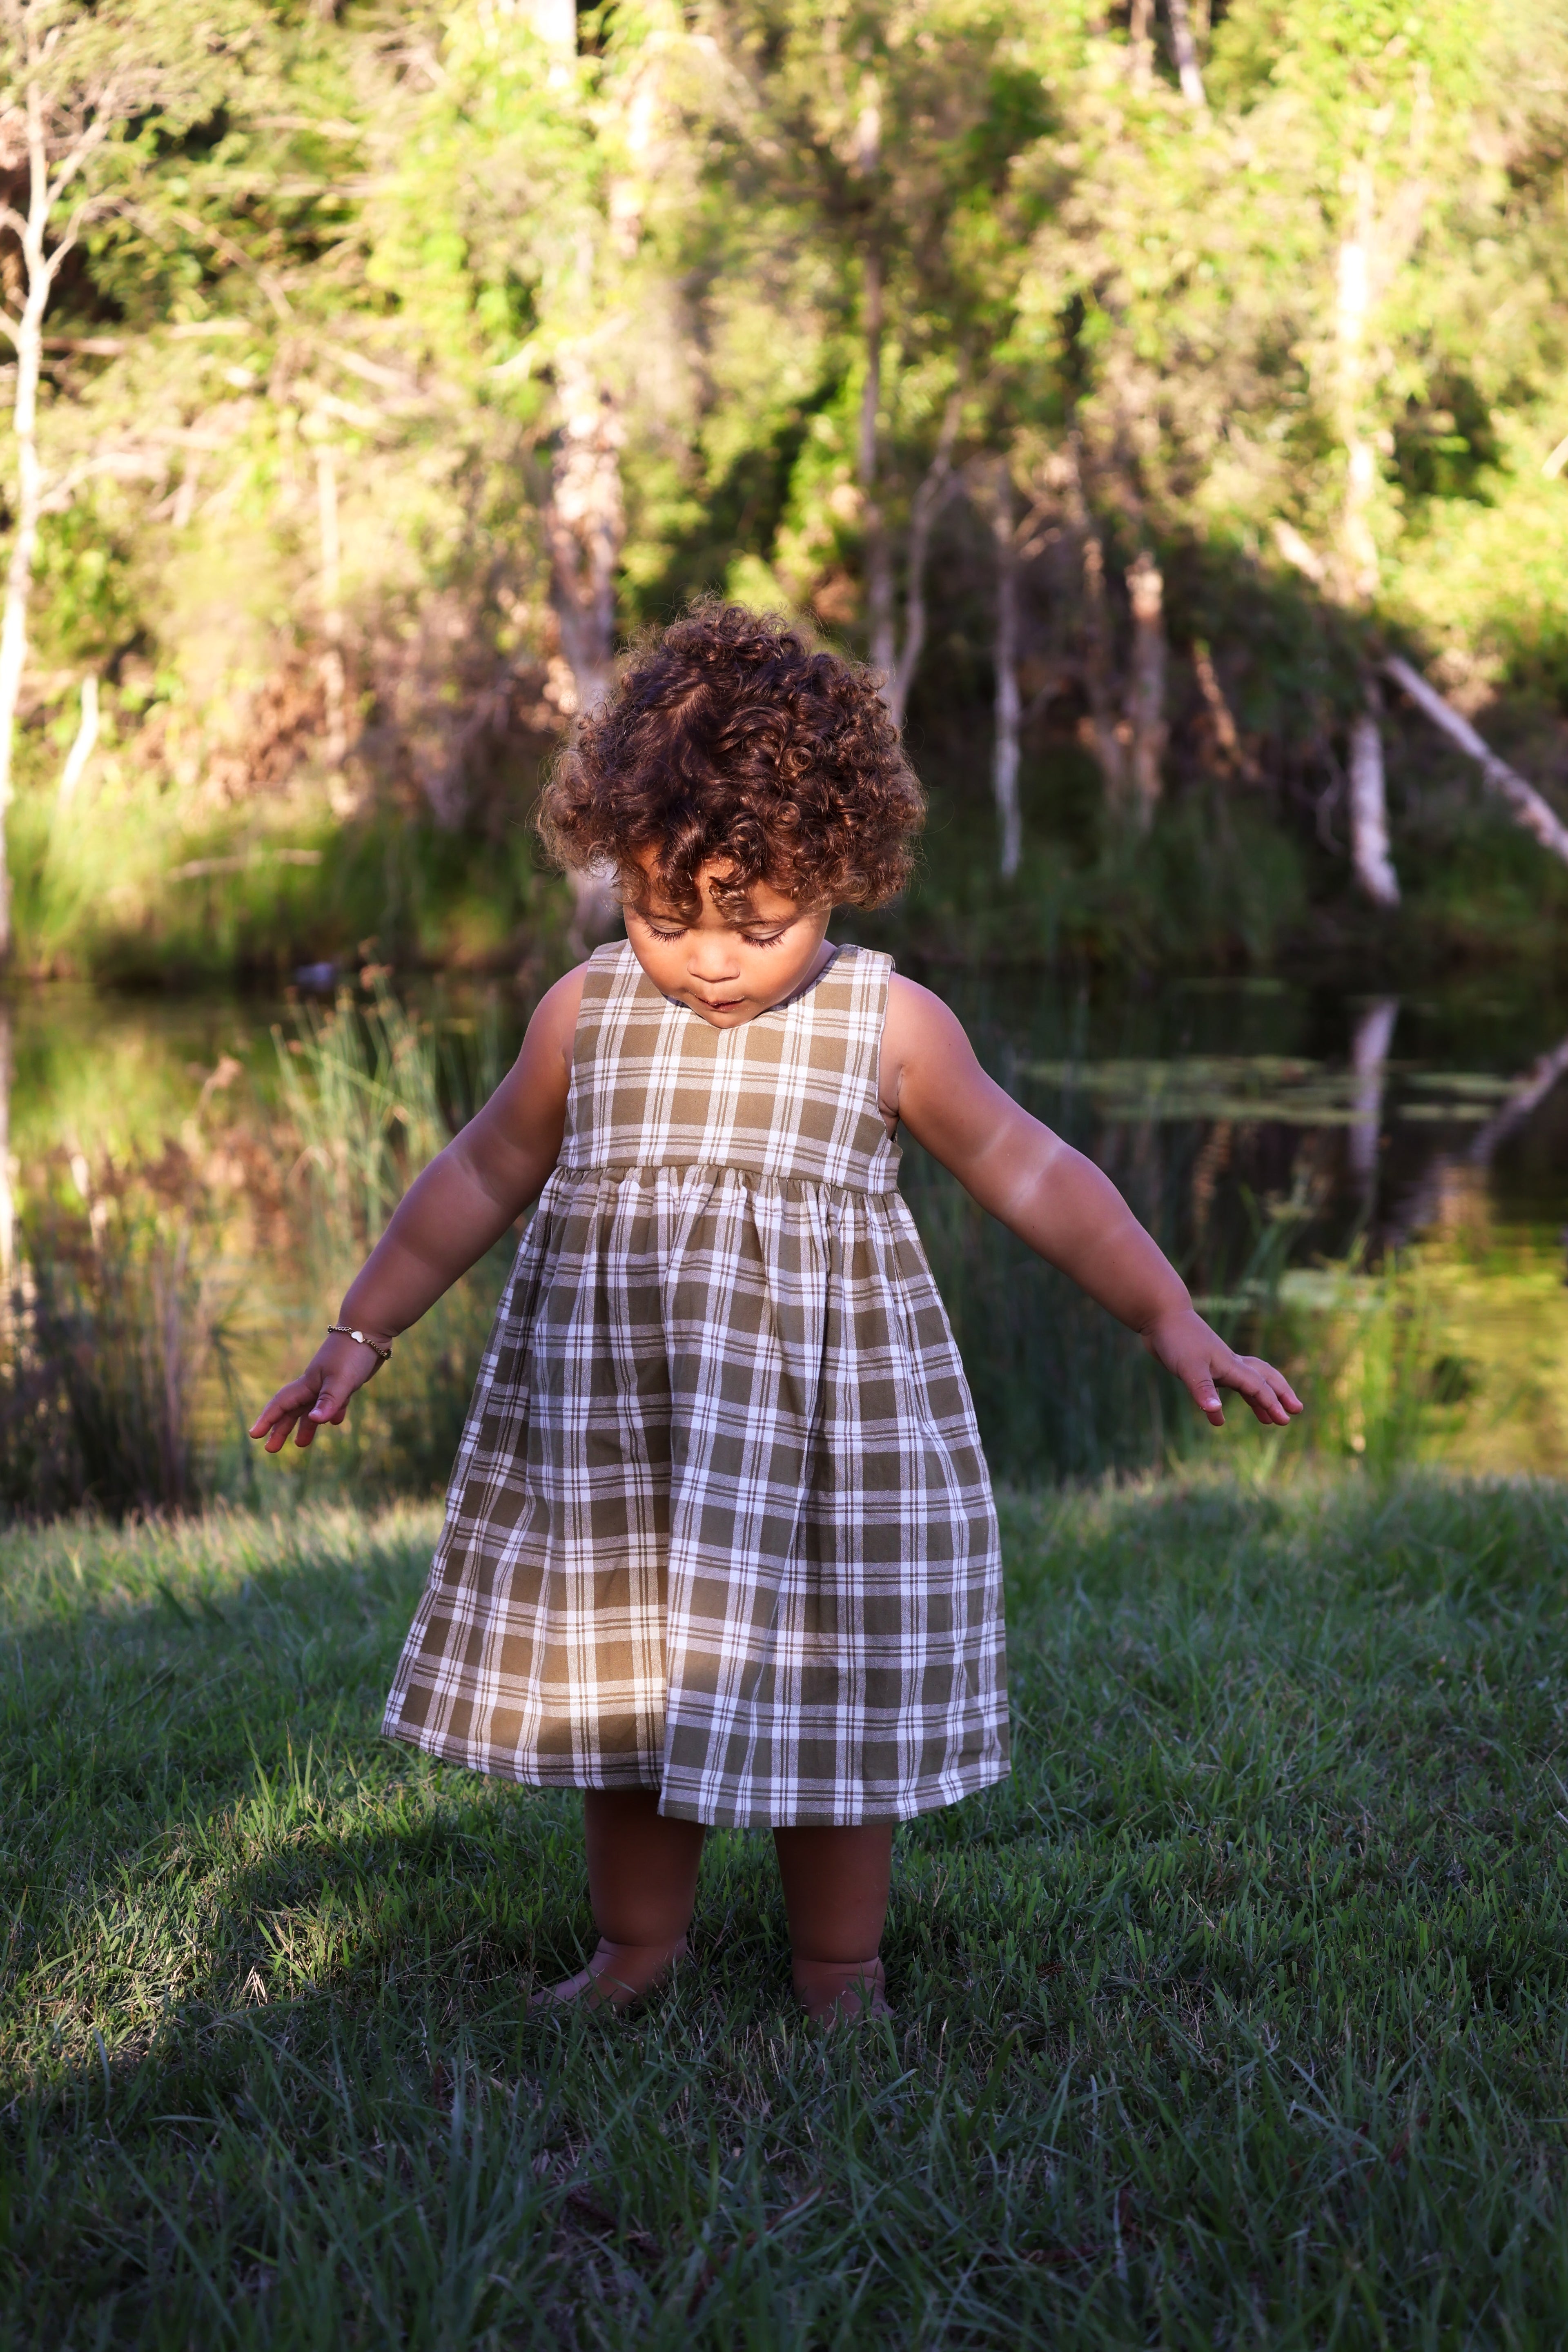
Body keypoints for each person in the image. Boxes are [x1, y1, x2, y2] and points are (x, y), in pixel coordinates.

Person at [249, 604, 1302, 2025]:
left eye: (759, 920)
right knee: (628, 1704)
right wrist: (360, 1331)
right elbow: (484, 1168)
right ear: (616, 868)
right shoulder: (588, 1011)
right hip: (624, 1445)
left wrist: (1174, 1319)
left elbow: (1030, 1170)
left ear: (842, 873)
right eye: (664, 911)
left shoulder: (889, 1024)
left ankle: (839, 1972)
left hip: (821, 1452)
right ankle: (635, 1951)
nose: (711, 957)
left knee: (832, 1701)